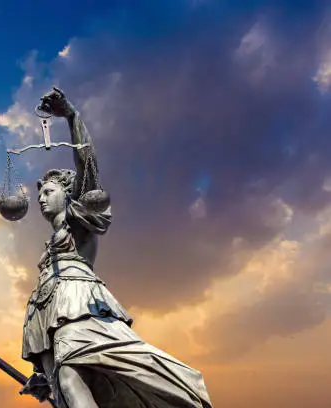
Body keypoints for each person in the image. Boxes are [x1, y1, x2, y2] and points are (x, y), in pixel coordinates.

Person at [19, 88, 213, 408]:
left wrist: (70, 116)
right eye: (40, 194)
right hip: (48, 314)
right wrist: (39, 372)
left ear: (68, 195)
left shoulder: (80, 220)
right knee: (65, 388)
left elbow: (88, 164)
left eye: (49, 191)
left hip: (81, 306)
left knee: (69, 377)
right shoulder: (48, 249)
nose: (41, 198)